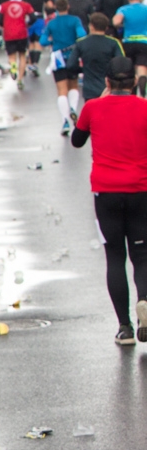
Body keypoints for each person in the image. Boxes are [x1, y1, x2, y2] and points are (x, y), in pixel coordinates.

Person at [71, 55, 147, 344]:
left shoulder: (93, 108)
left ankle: (124, 327)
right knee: (142, 255)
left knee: (115, 257)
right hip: (141, 190)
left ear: (107, 82)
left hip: (106, 192)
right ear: (134, 83)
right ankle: (146, 301)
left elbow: (77, 141)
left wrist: (100, 103)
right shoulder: (144, 108)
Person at [43, 0, 87, 132]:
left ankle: (65, 121)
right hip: (72, 56)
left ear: (56, 7)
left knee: (61, 90)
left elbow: (43, 40)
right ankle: (73, 107)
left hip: (58, 59)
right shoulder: (75, 20)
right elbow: (82, 35)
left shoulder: (52, 23)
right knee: (73, 85)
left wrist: (52, 40)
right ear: (68, 6)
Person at [76, 13, 127, 104]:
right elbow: (121, 63)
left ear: (91, 26)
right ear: (106, 27)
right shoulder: (113, 43)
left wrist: (83, 69)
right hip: (109, 88)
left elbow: (71, 64)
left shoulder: (81, 43)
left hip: (89, 88)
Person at [112, 0, 147, 95]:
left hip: (128, 41)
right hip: (143, 41)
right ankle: (142, 82)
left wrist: (122, 25)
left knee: (130, 67)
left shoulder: (123, 9)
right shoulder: (145, 8)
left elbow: (116, 21)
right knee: (142, 65)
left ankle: (132, 90)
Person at [0, 0, 34, 85]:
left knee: (11, 55)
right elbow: (33, 17)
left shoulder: (4, 5)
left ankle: (13, 67)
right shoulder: (25, 5)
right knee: (22, 55)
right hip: (22, 33)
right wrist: (27, 24)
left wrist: (5, 25)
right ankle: (20, 79)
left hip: (9, 33)